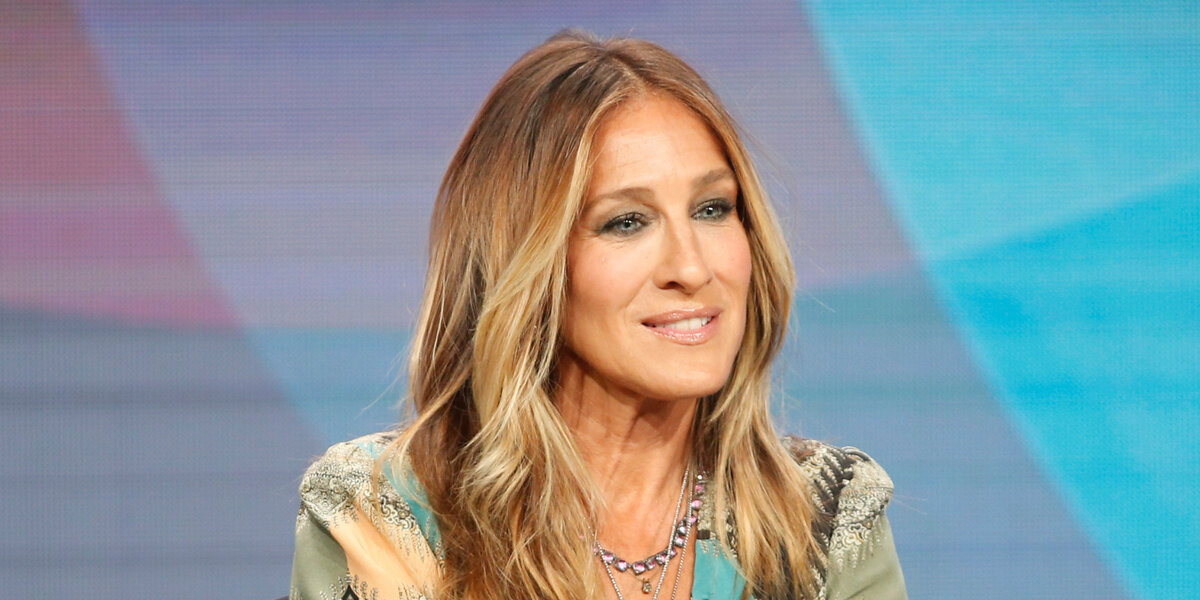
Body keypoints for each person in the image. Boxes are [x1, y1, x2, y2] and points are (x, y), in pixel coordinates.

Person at [289, 30, 906, 600]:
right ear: (528, 263)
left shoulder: (824, 518)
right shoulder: (386, 514)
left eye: (712, 209)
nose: (691, 267)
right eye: (627, 222)